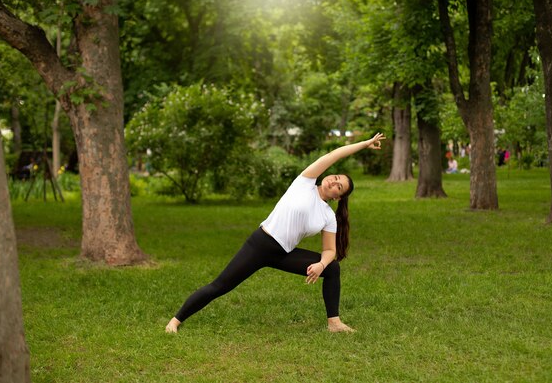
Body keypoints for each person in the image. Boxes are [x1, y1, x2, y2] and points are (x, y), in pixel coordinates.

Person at [165, 133, 387, 334]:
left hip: (284, 254)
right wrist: (365, 144)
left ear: (338, 197)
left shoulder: (328, 215)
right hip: (260, 244)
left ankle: (334, 323)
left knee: (332, 268)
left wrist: (321, 265)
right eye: (336, 177)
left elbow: (330, 250)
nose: (333, 181)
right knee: (220, 286)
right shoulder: (305, 182)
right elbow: (334, 155)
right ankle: (175, 321)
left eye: (339, 187)